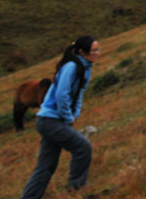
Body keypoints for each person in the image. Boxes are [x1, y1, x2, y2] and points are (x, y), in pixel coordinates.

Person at [20, 36, 100, 198]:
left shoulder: (86, 68)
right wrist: (68, 117)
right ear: (82, 52)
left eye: (98, 49)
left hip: (54, 121)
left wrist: (74, 115)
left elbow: (78, 95)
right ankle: (77, 188)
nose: (98, 53)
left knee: (46, 166)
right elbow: (61, 95)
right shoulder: (71, 67)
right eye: (94, 51)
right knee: (83, 147)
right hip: (49, 121)